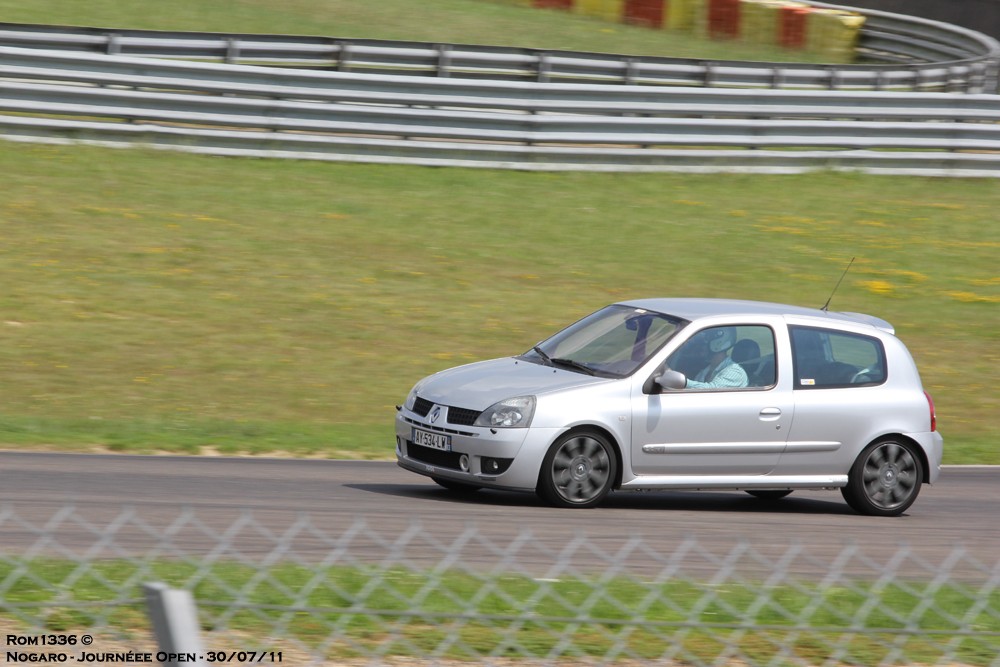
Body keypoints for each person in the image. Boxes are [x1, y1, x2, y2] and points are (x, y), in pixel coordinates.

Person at [682, 327, 748, 390]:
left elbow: (712, 390)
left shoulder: (735, 372)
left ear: (718, 343)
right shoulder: (705, 371)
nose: (700, 347)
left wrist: (683, 382)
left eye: (705, 342)